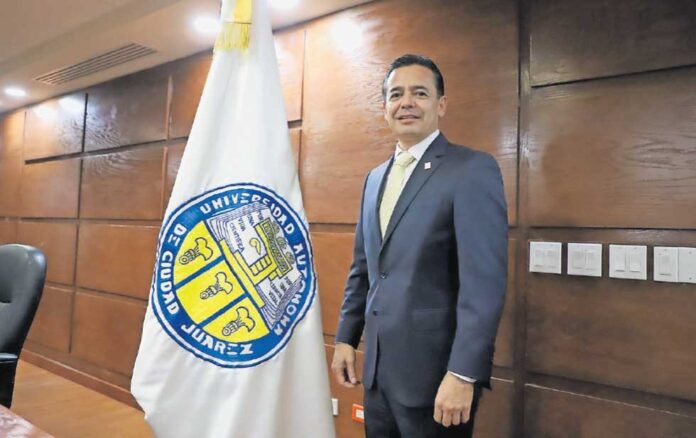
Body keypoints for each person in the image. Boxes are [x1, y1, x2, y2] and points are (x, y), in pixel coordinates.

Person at [331, 54, 508, 438]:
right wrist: (346, 337)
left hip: (437, 378)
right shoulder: (374, 179)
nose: (406, 102)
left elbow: (484, 285)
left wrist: (463, 373)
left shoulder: (470, 169)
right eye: (396, 94)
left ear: (440, 105)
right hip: (377, 376)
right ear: (385, 108)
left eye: (420, 93)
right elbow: (364, 269)